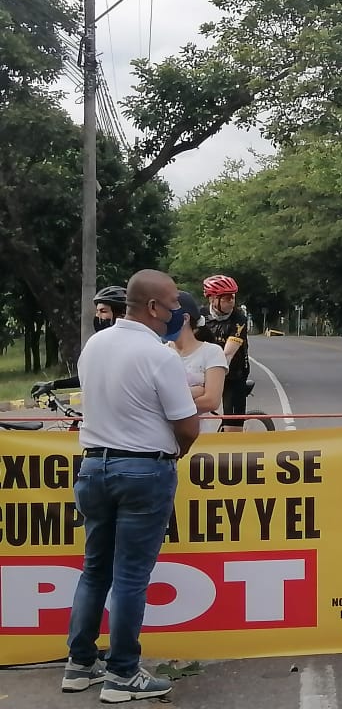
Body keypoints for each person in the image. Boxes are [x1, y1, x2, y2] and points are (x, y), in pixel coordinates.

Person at [62, 270, 200, 702]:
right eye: (175, 303)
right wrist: (175, 452)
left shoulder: (95, 345)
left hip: (93, 468)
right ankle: (122, 674)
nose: (180, 310)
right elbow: (188, 424)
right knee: (130, 578)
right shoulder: (160, 355)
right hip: (143, 471)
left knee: (94, 569)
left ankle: (79, 664)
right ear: (154, 308)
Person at [31, 285, 128, 398]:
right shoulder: (101, 345)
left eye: (103, 311)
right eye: (97, 311)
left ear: (121, 314)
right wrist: (53, 385)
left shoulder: (132, 346)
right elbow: (88, 377)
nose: (97, 316)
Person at [170, 290, 229, 430]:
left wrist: (165, 406)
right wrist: (194, 392)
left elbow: (211, 401)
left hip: (200, 440)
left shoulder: (212, 352)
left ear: (185, 318)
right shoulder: (160, 351)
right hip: (162, 441)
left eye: (166, 313)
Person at [197, 275, 250, 430]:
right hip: (205, 372)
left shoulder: (239, 318)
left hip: (234, 373)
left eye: (233, 297)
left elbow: (227, 355)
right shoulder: (200, 316)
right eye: (227, 298)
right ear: (213, 299)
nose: (231, 301)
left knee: (232, 427)